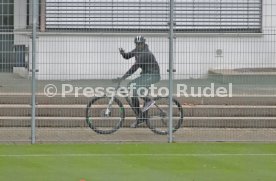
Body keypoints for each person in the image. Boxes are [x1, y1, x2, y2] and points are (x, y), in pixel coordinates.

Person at [113, 35, 160, 127]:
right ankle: (140, 116)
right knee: (132, 88)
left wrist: (122, 78)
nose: (139, 45)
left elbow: (134, 68)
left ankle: (148, 101)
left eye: (140, 44)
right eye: (137, 44)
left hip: (153, 75)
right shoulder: (137, 50)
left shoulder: (146, 54)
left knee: (134, 88)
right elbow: (127, 56)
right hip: (145, 75)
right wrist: (123, 53)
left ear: (144, 43)